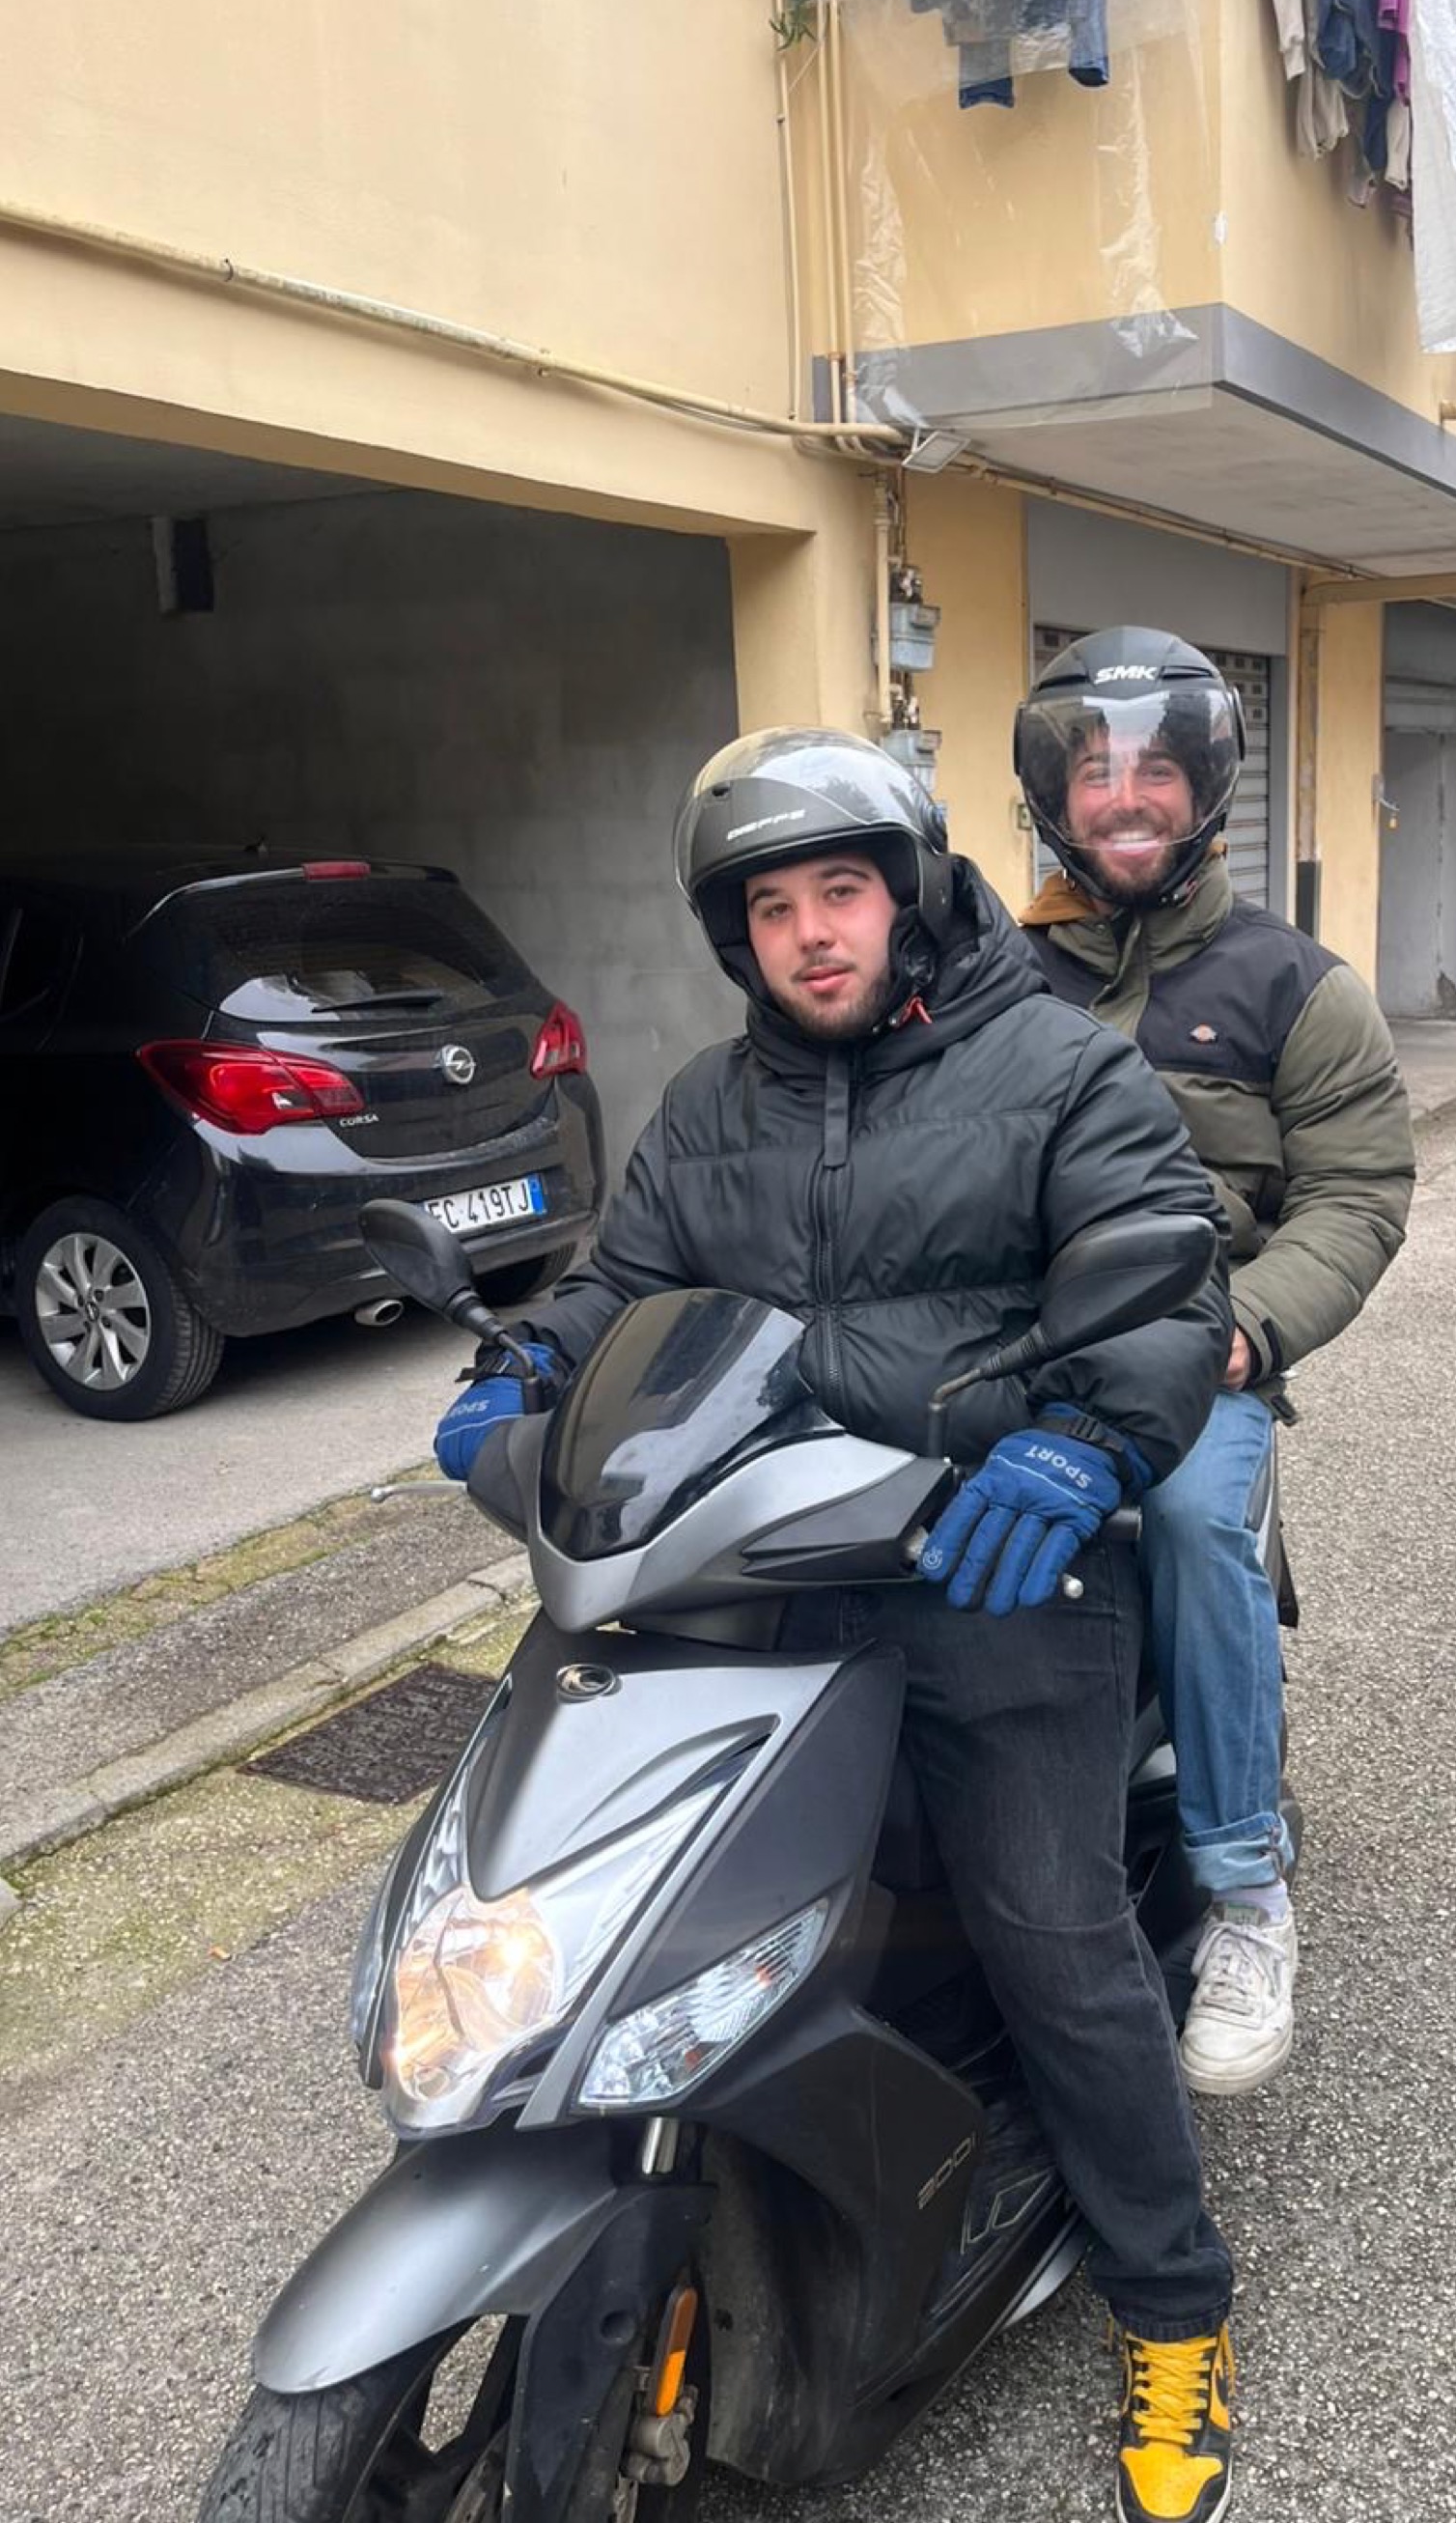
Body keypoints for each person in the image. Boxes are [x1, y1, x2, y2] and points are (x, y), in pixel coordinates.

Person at [434, 729, 1245, 2523]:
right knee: (621, 1874)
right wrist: (526, 1375)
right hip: (752, 1555)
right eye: (774, 907)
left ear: (910, 895)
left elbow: (1160, 1277)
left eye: (841, 893)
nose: (812, 934)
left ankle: (1175, 2307)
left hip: (994, 1564)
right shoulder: (711, 1108)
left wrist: (1077, 1437)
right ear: (741, 939)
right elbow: (628, 1288)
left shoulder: (1056, 1069)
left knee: (1051, 1929)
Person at [1015, 629, 1415, 2095]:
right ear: (1058, 797)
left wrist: (1244, 1328)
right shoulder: (990, 980)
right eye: (1099, 773)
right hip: (1020, 1353)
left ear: (1206, 793)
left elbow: (1360, 1194)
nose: (1127, 799)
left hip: (1205, 1360)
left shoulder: (1297, 987)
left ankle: (1246, 1889)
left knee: (1187, 1524)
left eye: (1158, 773)